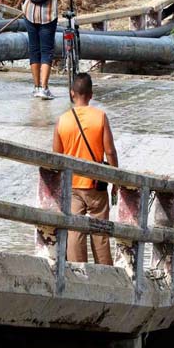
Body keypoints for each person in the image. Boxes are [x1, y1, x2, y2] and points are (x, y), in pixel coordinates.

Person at [53, 73, 119, 264]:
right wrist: (116, 181)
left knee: (75, 232)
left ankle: (78, 273)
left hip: (72, 187)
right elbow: (110, 152)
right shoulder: (100, 117)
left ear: (72, 93)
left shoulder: (62, 121)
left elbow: (56, 158)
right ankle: (105, 275)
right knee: (100, 233)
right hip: (96, 185)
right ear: (91, 94)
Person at [23, 0, 94, 100]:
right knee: (46, 50)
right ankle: (44, 88)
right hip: (47, 14)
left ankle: (36, 87)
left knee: (34, 48)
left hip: (29, 11)